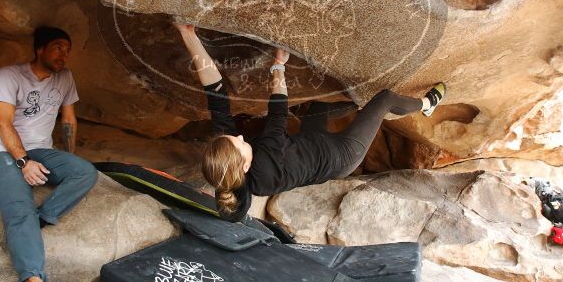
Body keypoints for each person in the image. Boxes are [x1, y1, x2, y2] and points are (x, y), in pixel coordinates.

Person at [175, 22, 446, 222]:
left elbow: (216, 93)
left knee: (320, 103)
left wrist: (188, 35)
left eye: (232, 136)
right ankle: (427, 105)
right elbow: (278, 109)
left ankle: (362, 109)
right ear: (245, 165)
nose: (240, 136)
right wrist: (278, 64)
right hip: (340, 156)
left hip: (312, 142)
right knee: (385, 98)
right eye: (239, 143)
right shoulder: (266, 163)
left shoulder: (231, 164)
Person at [0, 26, 98, 282]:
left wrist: (69, 158)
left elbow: (68, 120)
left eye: (68, 50)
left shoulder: (65, 77)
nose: (64, 55)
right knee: (18, 208)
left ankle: (41, 218)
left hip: (42, 150)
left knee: (85, 172)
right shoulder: (9, 75)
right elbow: (3, 123)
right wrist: (24, 163)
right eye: (58, 47)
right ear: (39, 49)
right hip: (5, 151)